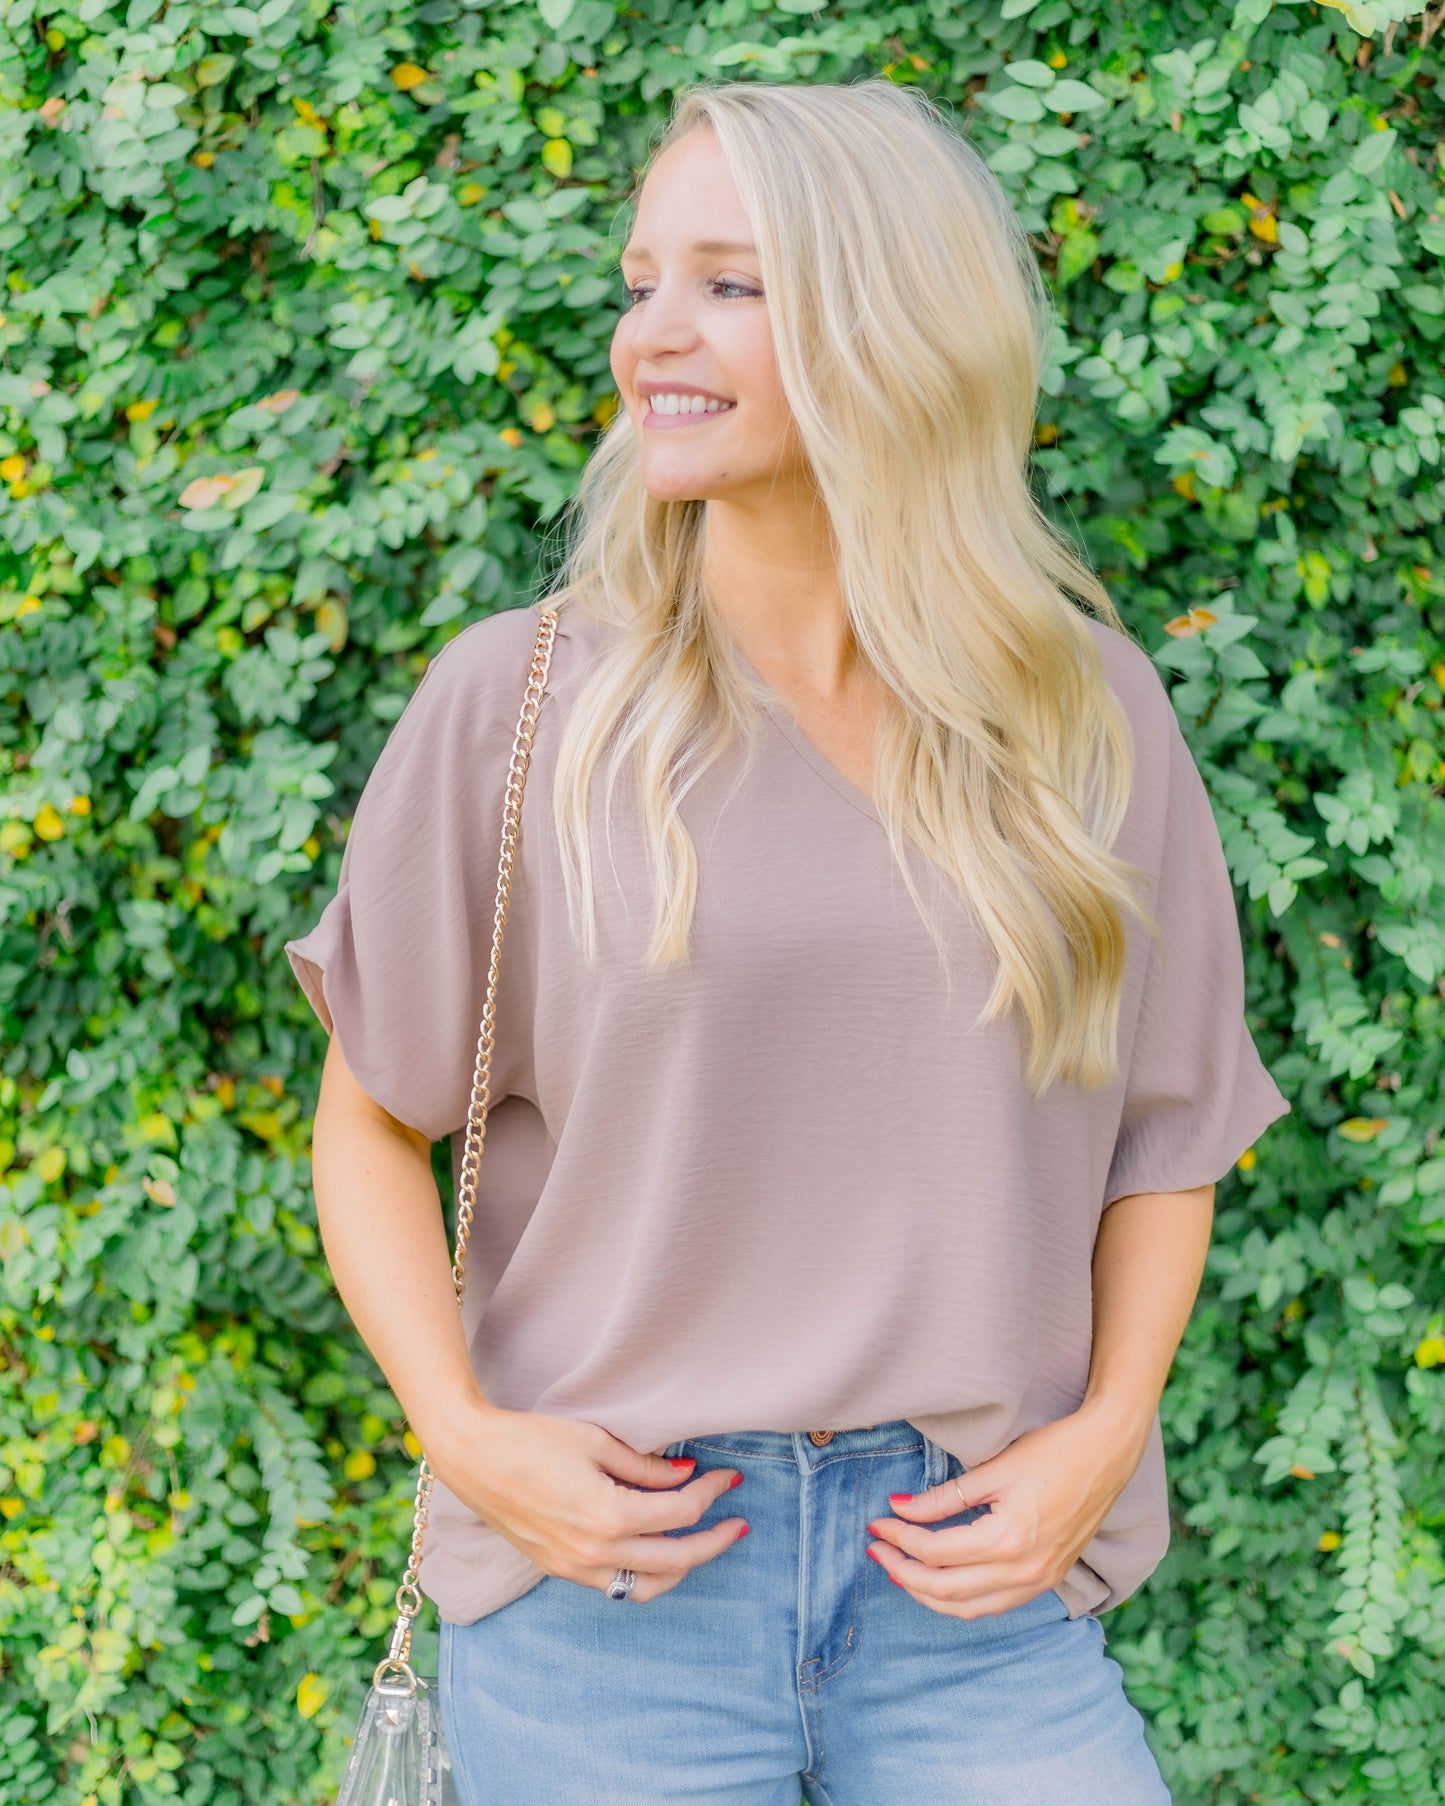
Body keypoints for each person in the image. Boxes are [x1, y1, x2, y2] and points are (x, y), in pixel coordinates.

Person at [284, 77, 1291, 1806]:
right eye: (641, 282)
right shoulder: (520, 706)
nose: (650, 335)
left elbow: (1165, 1134)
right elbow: (368, 1119)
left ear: (891, 320)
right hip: (615, 1592)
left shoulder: (1081, 716)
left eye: (729, 284)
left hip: (972, 1589)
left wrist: (1106, 1431)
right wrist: (465, 1435)